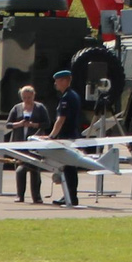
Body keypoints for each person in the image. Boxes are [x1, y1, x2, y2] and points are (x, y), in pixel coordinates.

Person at [5, 84, 50, 203]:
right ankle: (20, 195)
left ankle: (36, 196)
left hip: (35, 144)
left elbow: (47, 123)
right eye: (24, 97)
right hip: (19, 143)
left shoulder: (40, 108)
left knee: (35, 170)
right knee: (20, 170)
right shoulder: (16, 108)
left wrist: (34, 125)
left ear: (33, 96)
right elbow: (8, 124)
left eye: (29, 97)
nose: (27, 100)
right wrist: (19, 124)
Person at [48, 67, 86, 207]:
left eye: (57, 81)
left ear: (65, 81)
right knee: (70, 168)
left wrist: (52, 136)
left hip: (67, 136)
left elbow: (61, 119)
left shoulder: (66, 98)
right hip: (73, 135)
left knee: (69, 168)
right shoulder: (73, 95)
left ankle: (70, 196)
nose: (55, 84)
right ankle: (70, 195)